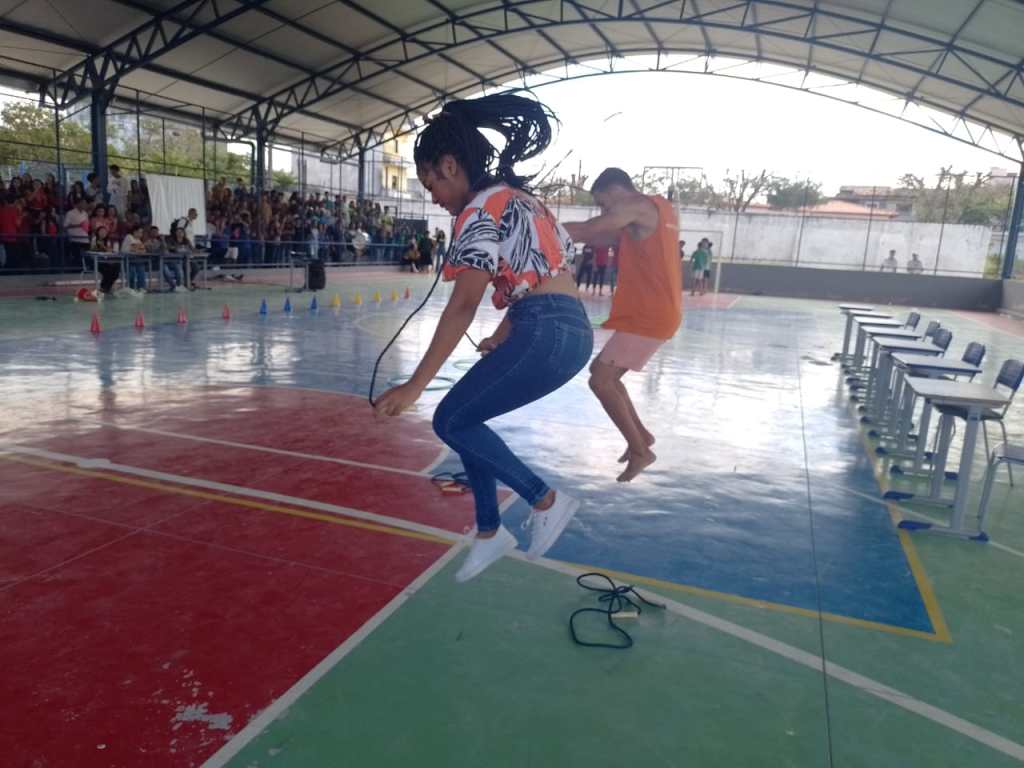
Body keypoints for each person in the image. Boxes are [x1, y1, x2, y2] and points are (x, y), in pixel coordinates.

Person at [373, 94, 592, 582]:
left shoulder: (478, 211)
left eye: (431, 183)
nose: (433, 197)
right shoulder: (521, 200)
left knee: (449, 418)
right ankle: (490, 533)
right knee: (467, 417)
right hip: (571, 330)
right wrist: (504, 330)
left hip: (545, 330)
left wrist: (414, 386)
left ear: (449, 165)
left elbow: (462, 305)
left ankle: (544, 500)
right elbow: (543, 272)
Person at [564, 167, 682, 482]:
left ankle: (641, 451)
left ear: (615, 191)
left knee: (600, 381)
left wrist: (541, 229)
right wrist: (562, 234)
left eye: (604, 204)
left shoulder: (638, 205)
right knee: (603, 374)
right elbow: (596, 234)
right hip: (653, 312)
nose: (605, 211)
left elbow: (590, 228)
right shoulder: (657, 211)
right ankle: (642, 436)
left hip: (650, 314)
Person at [121, 222, 148, 294]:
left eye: (142, 232)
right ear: (135, 232)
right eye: (140, 232)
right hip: (126, 260)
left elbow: (143, 251)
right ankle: (131, 288)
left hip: (135, 260)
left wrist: (140, 249)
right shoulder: (129, 236)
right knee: (132, 271)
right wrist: (140, 248)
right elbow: (134, 247)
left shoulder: (138, 240)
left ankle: (141, 288)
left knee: (141, 268)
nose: (141, 234)